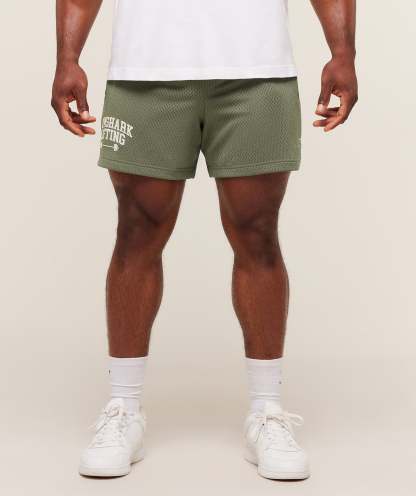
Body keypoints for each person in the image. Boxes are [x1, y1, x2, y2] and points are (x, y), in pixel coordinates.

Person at [52, 0, 358, 481]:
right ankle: (124, 408)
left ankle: (267, 411)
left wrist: (343, 52)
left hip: (256, 70)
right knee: (137, 230)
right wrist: (67, 57)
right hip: (145, 69)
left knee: (257, 233)